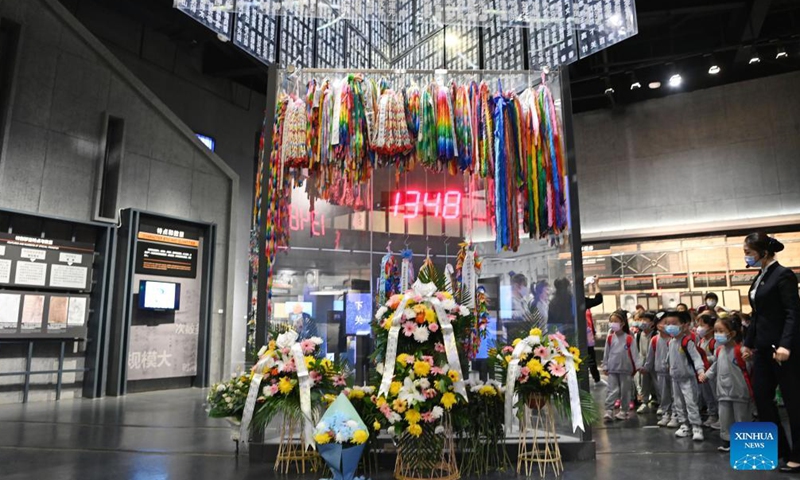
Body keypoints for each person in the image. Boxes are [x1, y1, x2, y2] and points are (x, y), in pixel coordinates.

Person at [741, 233, 800, 472]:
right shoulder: (760, 277)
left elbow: (792, 312)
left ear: (763, 253)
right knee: (762, 397)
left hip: (784, 350)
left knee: (793, 402)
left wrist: (786, 344)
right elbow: (758, 315)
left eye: (749, 252)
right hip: (763, 349)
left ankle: (798, 455)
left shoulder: (783, 274)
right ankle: (780, 450)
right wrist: (747, 342)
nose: (746, 256)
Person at [699, 314, 752, 453]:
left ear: (732, 333)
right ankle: (727, 441)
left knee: (742, 418)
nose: (717, 335)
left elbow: (749, 367)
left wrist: (750, 358)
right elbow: (715, 366)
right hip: (723, 392)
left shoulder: (740, 350)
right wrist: (706, 375)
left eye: (721, 331)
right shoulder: (719, 351)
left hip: (739, 392)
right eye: (716, 331)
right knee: (725, 418)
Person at [664, 309, 706, 441]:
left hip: (687, 379)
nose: (670, 326)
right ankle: (684, 425)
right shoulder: (671, 342)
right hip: (675, 378)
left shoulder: (687, 342)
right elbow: (669, 357)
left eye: (674, 323)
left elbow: (696, 358)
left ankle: (696, 427)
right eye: (668, 323)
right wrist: (667, 366)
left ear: (683, 325)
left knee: (691, 403)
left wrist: (700, 371)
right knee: (678, 403)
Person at [602, 310, 640, 421]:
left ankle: (624, 411)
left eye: (616, 321)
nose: (613, 324)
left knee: (625, 391)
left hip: (626, 369)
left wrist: (638, 366)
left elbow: (635, 354)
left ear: (622, 323)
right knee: (612, 390)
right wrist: (605, 366)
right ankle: (609, 410)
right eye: (611, 321)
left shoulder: (629, 338)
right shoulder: (610, 338)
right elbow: (606, 353)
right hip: (613, 369)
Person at [645, 312, 677, 427]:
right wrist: (647, 368)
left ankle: (675, 415)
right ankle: (666, 413)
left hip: (674, 372)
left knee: (675, 395)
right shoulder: (655, 340)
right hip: (660, 371)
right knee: (664, 395)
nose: (667, 325)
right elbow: (650, 356)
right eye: (664, 322)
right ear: (657, 325)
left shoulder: (674, 338)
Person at [695, 311, 719, 429]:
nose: (699, 328)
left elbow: (717, 357)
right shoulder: (701, 341)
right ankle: (712, 414)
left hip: (714, 374)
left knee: (716, 395)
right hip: (703, 373)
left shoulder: (714, 341)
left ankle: (720, 416)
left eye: (702, 325)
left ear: (710, 327)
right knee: (707, 396)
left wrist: (705, 359)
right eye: (698, 325)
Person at [635, 312, 656, 413]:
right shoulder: (639, 335)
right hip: (643, 363)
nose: (643, 322)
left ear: (652, 323)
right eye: (641, 320)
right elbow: (639, 352)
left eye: (646, 320)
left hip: (656, 364)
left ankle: (660, 402)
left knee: (658, 384)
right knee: (644, 383)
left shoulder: (656, 335)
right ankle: (644, 402)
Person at [584, 279, 604, 386]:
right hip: (583, 336)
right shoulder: (580, 302)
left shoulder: (585, 306)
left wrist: (593, 332)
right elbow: (598, 299)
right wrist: (596, 284)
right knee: (589, 356)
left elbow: (590, 321)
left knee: (591, 357)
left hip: (587, 335)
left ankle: (596, 378)